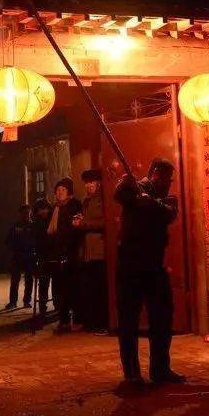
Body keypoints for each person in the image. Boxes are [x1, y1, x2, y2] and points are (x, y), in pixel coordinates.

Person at [113, 159, 185, 386]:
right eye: (162, 177)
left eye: (169, 179)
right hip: (129, 265)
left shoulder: (168, 199)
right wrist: (131, 183)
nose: (166, 183)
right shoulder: (134, 188)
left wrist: (148, 202)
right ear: (152, 174)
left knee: (162, 318)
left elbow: (168, 213)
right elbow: (119, 194)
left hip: (155, 266)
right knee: (128, 321)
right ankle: (132, 373)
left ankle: (160, 369)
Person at [46, 177, 84, 331]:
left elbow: (75, 230)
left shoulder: (74, 205)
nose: (59, 193)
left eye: (62, 190)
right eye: (57, 190)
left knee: (73, 287)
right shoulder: (55, 208)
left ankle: (78, 319)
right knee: (59, 289)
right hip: (57, 254)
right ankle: (63, 320)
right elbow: (50, 232)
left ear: (69, 192)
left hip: (71, 253)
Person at [75, 168, 108, 331]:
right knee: (90, 289)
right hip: (88, 252)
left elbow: (104, 222)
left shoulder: (103, 200)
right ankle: (93, 321)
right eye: (86, 183)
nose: (88, 186)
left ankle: (103, 323)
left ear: (98, 183)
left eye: (91, 182)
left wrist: (84, 224)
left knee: (101, 288)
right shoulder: (86, 201)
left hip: (99, 251)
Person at [5, 205, 35, 309]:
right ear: (20, 214)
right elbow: (8, 240)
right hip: (17, 255)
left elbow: (36, 240)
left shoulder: (33, 226)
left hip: (29, 256)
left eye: (29, 212)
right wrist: (13, 250)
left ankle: (27, 301)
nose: (27, 214)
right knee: (15, 280)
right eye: (25, 213)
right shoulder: (15, 226)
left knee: (29, 280)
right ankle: (13, 302)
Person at [32, 198, 56, 315]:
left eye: (44, 209)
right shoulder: (37, 222)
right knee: (43, 282)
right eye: (40, 210)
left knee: (55, 281)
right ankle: (43, 305)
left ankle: (56, 304)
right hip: (43, 255)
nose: (42, 212)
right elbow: (36, 239)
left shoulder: (52, 218)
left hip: (52, 253)